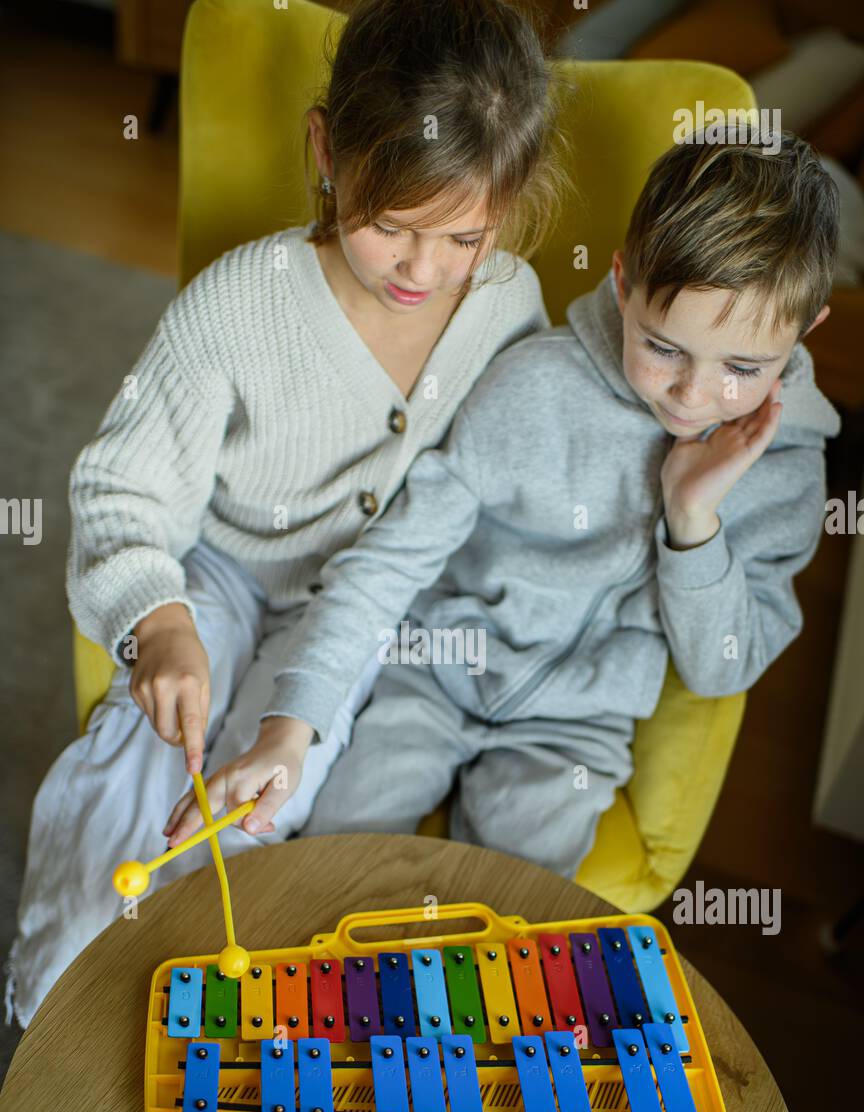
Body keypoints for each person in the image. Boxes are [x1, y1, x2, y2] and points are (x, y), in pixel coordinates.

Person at [7, 0, 566, 1028]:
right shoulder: (233, 307)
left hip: (366, 606)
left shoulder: (510, 309)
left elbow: (497, 492)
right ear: (325, 149)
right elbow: (121, 486)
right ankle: (45, 1022)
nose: (420, 269)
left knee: (266, 796)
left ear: (509, 208)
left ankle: (188, 1028)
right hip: (219, 565)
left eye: (462, 237)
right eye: (388, 224)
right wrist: (160, 622)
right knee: (139, 761)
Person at [167, 129, 840, 882]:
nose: (692, 395)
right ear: (622, 283)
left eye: (742, 368)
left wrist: (693, 524)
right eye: (663, 347)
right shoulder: (530, 382)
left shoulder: (785, 467)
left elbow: (722, 668)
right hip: (430, 673)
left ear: (807, 329)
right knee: (340, 875)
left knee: (512, 925)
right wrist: (294, 726)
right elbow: (389, 561)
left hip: (572, 735)